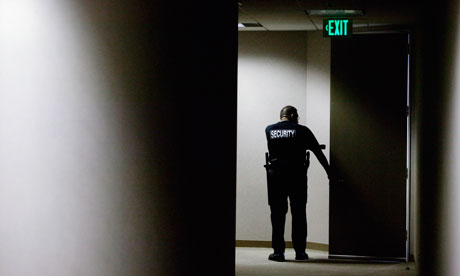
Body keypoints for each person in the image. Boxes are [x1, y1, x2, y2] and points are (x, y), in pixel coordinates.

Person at [265, 105, 331, 262]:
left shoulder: (269, 130)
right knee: (299, 214)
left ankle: (278, 253)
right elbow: (317, 152)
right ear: (293, 115)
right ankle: (300, 252)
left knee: (277, 215)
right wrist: (329, 172)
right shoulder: (302, 130)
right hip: (297, 177)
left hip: (276, 178)